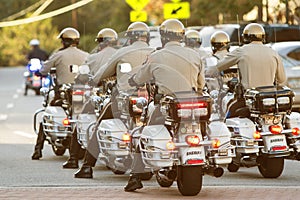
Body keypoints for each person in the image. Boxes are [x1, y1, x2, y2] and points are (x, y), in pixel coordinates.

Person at [124, 18, 205, 192]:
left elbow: (140, 77)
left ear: (163, 37)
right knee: (204, 126)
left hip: (167, 105)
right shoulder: (195, 55)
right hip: (193, 103)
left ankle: (136, 177)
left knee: (146, 129)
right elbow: (201, 85)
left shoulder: (156, 56)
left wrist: (133, 80)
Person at [73, 21, 155, 178]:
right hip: (150, 102)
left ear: (130, 38)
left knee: (98, 126)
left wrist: (94, 80)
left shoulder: (122, 52)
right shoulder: (155, 52)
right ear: (147, 37)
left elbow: (100, 76)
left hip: (124, 101)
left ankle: (87, 167)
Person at [62, 28, 118, 169]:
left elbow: (83, 77)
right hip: (126, 97)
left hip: (102, 97)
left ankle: (75, 159)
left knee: (83, 119)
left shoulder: (93, 57)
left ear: (100, 43)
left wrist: (86, 80)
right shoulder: (121, 54)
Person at [31, 27, 89, 160]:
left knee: (46, 114)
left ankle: (37, 150)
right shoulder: (86, 55)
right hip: (84, 93)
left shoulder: (59, 54)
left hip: (63, 93)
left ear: (64, 41)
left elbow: (44, 69)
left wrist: (39, 72)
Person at [206, 23, 286, 118]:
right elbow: (282, 80)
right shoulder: (273, 53)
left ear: (245, 37)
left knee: (228, 115)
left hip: (247, 100)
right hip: (269, 101)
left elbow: (217, 67)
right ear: (263, 37)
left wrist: (205, 73)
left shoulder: (242, 51)